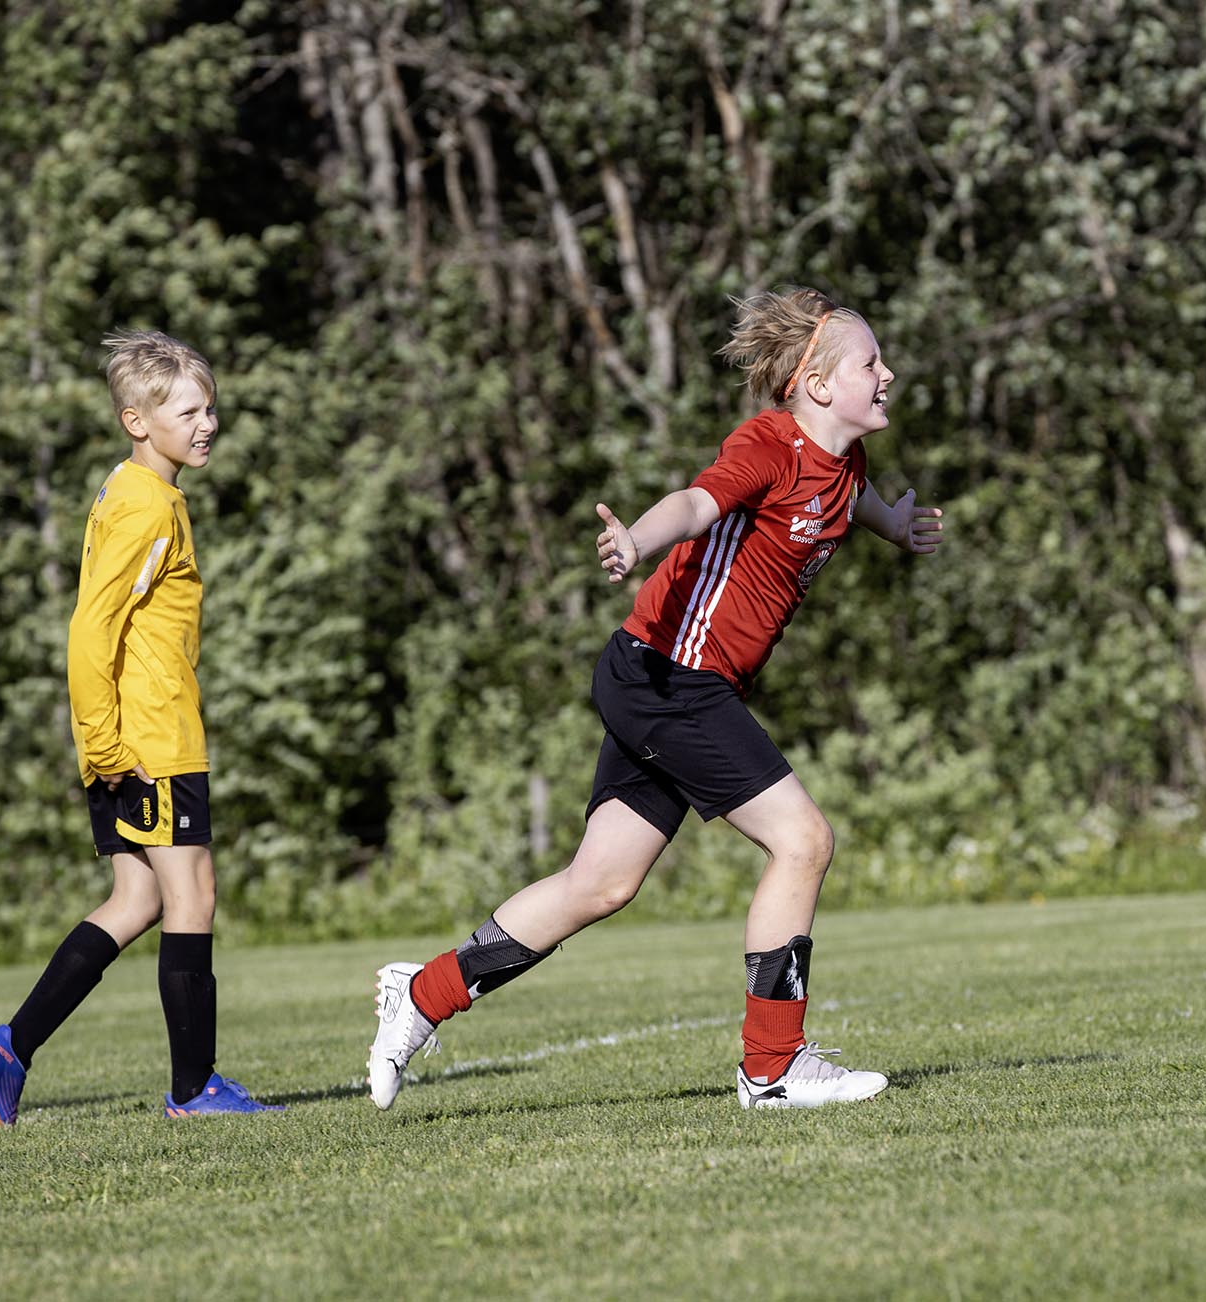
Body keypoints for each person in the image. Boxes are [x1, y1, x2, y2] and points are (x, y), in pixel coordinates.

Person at [367, 288, 944, 1111]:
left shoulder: (841, 464)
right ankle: (772, 1069)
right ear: (817, 385)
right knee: (803, 841)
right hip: (671, 677)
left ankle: (423, 994)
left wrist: (898, 526)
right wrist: (637, 538)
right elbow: (698, 502)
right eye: (870, 363)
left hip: (659, 680)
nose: (887, 374)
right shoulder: (768, 445)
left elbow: (846, 504)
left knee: (599, 884)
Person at [0, 330, 283, 1123]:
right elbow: (90, 630)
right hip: (148, 742)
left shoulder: (132, 491)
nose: (206, 423)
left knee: (136, 900)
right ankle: (194, 1089)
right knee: (194, 894)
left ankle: (9, 1047)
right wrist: (104, 746)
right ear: (137, 421)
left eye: (210, 408)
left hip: (135, 735)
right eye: (188, 411)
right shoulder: (147, 507)